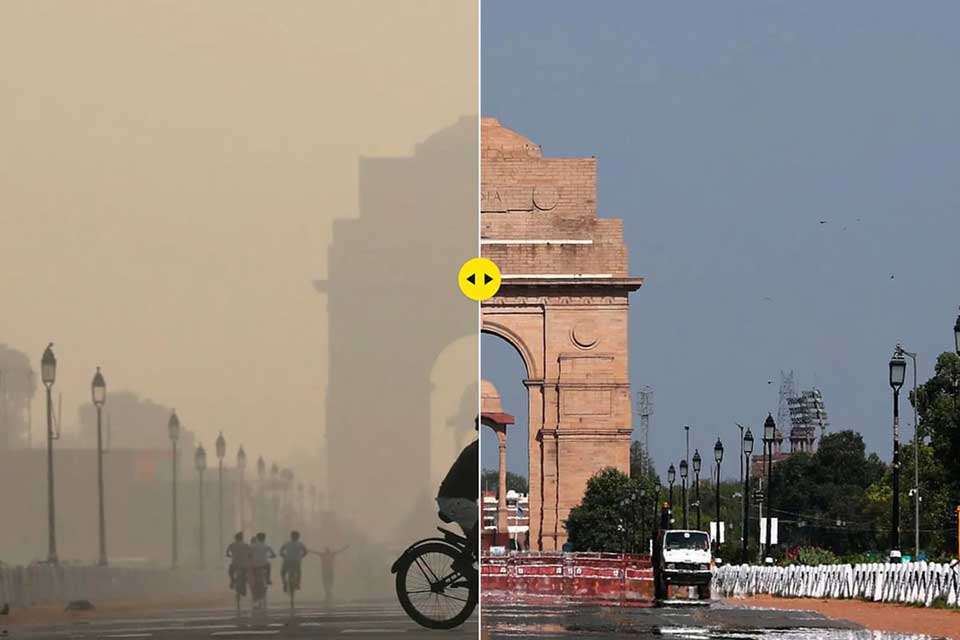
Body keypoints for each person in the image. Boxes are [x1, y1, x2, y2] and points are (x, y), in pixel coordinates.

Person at [437, 418, 478, 572]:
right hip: (454, 500)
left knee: (477, 540)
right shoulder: (475, 452)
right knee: (479, 528)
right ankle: (463, 562)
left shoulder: (474, 449)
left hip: (456, 500)